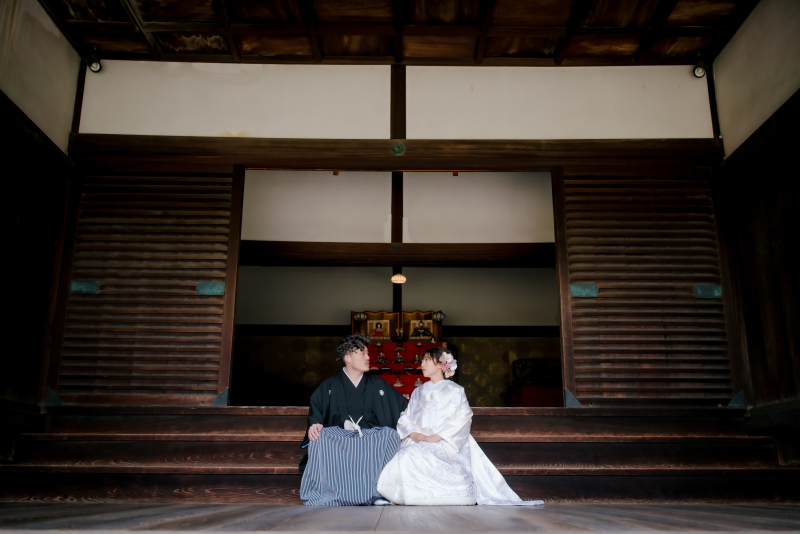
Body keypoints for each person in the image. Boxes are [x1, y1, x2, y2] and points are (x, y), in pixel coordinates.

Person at [377, 346, 544, 506]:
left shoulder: (455, 390)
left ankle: (428, 496)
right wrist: (413, 433)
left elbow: (463, 418)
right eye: (422, 360)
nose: (422, 364)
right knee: (405, 455)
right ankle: (408, 495)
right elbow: (405, 417)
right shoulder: (418, 391)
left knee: (413, 456)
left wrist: (438, 436)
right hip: (418, 439)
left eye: (427, 360)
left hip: (445, 441)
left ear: (441, 364)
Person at [299, 334, 408, 506]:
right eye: (362, 353)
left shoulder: (379, 385)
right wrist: (316, 423)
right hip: (340, 443)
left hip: (371, 443)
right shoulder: (329, 386)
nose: (368, 357)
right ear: (347, 358)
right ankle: (333, 492)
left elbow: (403, 410)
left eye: (367, 353)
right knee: (319, 436)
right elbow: (317, 411)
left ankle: (378, 492)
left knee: (390, 435)